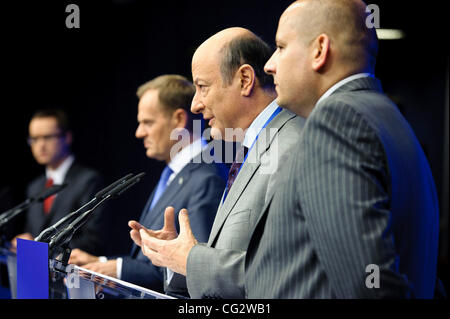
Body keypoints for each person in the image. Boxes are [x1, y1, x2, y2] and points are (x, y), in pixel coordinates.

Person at [243, 0, 439, 298]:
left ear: (319, 50)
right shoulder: (392, 121)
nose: (269, 64)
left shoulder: (336, 122)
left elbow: (369, 287)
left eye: (281, 47)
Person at [129, 28, 305, 298]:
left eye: (202, 87)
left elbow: (285, 273)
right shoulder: (251, 148)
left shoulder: (291, 148)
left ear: (245, 79)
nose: (195, 105)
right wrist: (177, 256)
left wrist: (192, 258)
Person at [69, 74, 227, 296]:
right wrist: (103, 262)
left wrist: (117, 269)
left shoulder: (206, 178)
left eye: (148, 122)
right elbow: (154, 261)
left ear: (179, 120)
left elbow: (196, 271)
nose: (139, 132)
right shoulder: (174, 172)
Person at [11, 109, 104, 255]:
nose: (40, 145)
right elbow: (32, 232)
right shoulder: (34, 187)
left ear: (67, 137)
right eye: (34, 139)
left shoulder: (88, 180)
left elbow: (93, 240)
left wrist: (39, 247)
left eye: (47, 137)